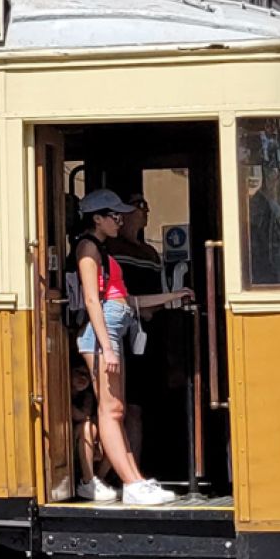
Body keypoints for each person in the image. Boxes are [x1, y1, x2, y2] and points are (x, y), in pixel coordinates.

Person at [71, 189, 191, 506]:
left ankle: (134, 480)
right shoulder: (88, 249)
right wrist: (107, 348)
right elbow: (92, 300)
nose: (119, 220)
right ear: (97, 218)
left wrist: (172, 296)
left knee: (116, 410)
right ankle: (130, 483)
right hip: (102, 336)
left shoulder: (101, 250)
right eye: (114, 215)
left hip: (110, 332)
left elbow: (126, 300)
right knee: (111, 410)